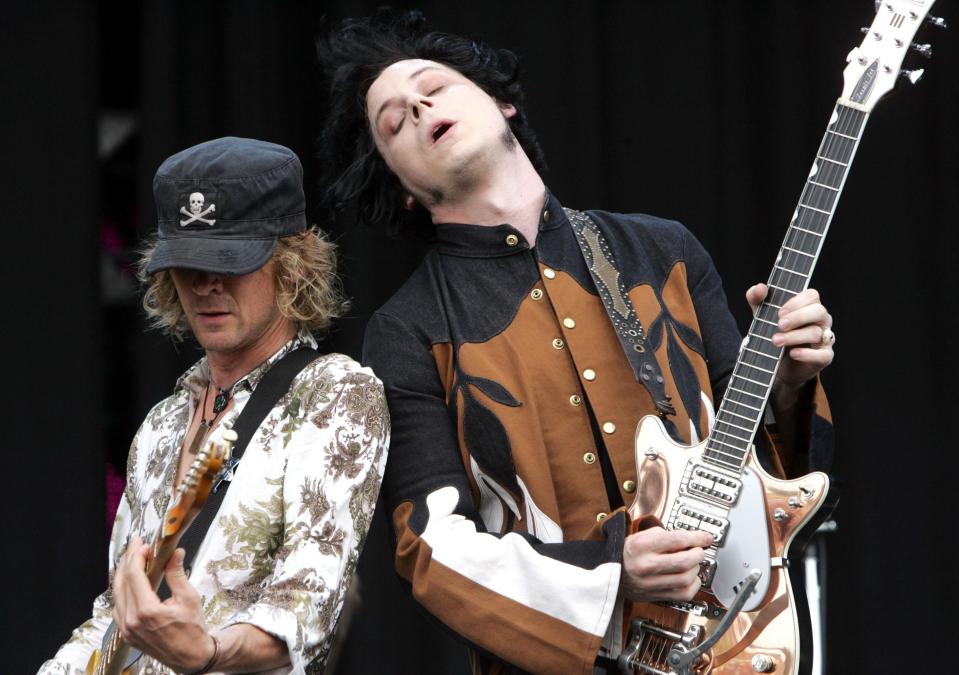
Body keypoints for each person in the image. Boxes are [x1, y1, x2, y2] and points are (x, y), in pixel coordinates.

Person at [317, 12, 834, 675]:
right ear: (402, 190)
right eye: (393, 122)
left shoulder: (662, 251)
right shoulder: (407, 329)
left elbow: (776, 486)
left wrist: (791, 381)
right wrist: (606, 570)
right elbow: (430, 549)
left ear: (503, 102)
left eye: (435, 88)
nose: (417, 107)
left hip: (734, 646)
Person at [39, 137, 389, 675]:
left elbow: (307, 607)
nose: (206, 285)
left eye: (230, 261)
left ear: (291, 264)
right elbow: (117, 611)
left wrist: (208, 652)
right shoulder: (162, 424)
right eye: (188, 263)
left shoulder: (335, 393)